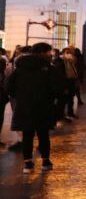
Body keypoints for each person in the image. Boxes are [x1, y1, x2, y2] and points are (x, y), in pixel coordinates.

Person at [5, 43, 62, 174]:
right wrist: (51, 98)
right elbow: (57, 87)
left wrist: (20, 97)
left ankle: (28, 164)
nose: (50, 54)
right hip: (44, 106)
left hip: (25, 106)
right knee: (43, 135)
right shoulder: (48, 67)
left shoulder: (20, 68)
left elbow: (9, 86)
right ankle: (45, 161)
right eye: (49, 52)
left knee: (27, 135)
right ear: (43, 52)